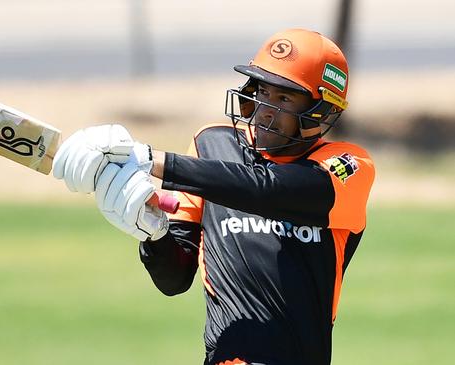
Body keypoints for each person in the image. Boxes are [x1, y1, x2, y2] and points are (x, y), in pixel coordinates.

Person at [52, 28, 375, 365]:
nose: (265, 109)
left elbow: (268, 187)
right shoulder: (211, 148)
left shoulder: (348, 166)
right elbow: (174, 280)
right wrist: (154, 234)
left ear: (320, 110)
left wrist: (150, 160)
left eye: (284, 98)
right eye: (262, 91)